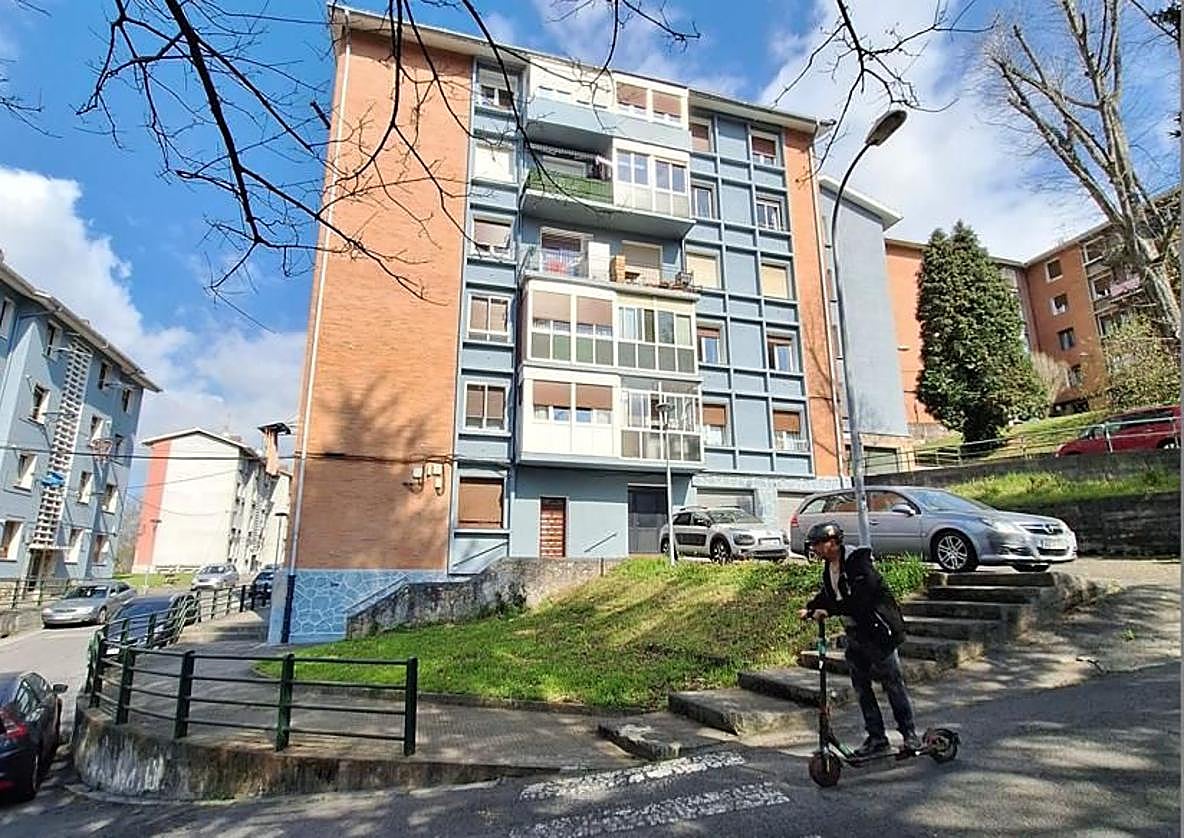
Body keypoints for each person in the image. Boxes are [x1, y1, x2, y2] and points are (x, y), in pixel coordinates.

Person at [797, 520, 920, 757]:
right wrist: (811, 608)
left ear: (832, 543)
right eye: (813, 545)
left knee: (892, 684)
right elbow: (829, 594)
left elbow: (861, 600)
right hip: (856, 635)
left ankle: (909, 735)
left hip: (879, 632)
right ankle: (876, 738)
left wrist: (830, 611)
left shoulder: (858, 563)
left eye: (818, 544)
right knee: (862, 687)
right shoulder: (830, 567)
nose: (814, 549)